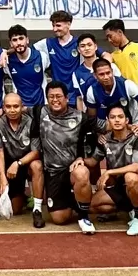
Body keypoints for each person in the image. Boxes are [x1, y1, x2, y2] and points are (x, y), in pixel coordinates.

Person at [37, 81, 96, 229]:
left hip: (72, 169)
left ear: (66, 97)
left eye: (58, 96)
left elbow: (106, 127)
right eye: (51, 97)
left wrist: (84, 158)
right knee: (59, 219)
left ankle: (84, 218)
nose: (55, 100)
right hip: (53, 173)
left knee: (82, 173)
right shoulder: (40, 112)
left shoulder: (80, 117)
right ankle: (75, 200)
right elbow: (18, 111)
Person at [90, 103, 138, 235]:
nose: (117, 120)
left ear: (127, 120)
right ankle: (131, 209)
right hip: (120, 188)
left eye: (120, 117)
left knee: (130, 177)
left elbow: (136, 167)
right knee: (93, 205)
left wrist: (109, 172)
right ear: (108, 120)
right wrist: (78, 160)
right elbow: (92, 161)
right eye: (112, 117)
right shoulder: (105, 140)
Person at [0, 89, 45, 228]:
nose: (12, 110)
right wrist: (2, 177)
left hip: (26, 162)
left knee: (37, 165)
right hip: (10, 165)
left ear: (22, 107)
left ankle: (37, 209)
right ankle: (22, 195)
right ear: (3, 108)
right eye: (8, 107)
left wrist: (18, 163)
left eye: (16, 106)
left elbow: (36, 152)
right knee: (14, 210)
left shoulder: (32, 122)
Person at [76, 55, 138, 130]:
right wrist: (99, 134)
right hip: (106, 129)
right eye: (101, 74)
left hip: (133, 126)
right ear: (95, 75)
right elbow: (92, 119)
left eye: (108, 73)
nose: (106, 77)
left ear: (112, 71)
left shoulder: (127, 85)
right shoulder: (92, 91)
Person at [2, 25, 48, 109]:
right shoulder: (7, 61)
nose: (18, 43)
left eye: (21, 38)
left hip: (41, 106)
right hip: (20, 109)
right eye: (15, 40)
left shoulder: (41, 56)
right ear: (11, 43)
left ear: (27, 40)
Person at [103, 18, 138, 87]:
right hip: (124, 94)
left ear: (120, 32)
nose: (109, 40)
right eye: (107, 38)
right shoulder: (112, 56)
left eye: (110, 36)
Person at [41, 9, 82, 88]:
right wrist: (9, 52)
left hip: (75, 92)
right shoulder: (47, 43)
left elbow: (104, 54)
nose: (55, 29)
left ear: (68, 24)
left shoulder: (80, 42)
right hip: (57, 93)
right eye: (53, 26)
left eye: (58, 25)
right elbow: (25, 49)